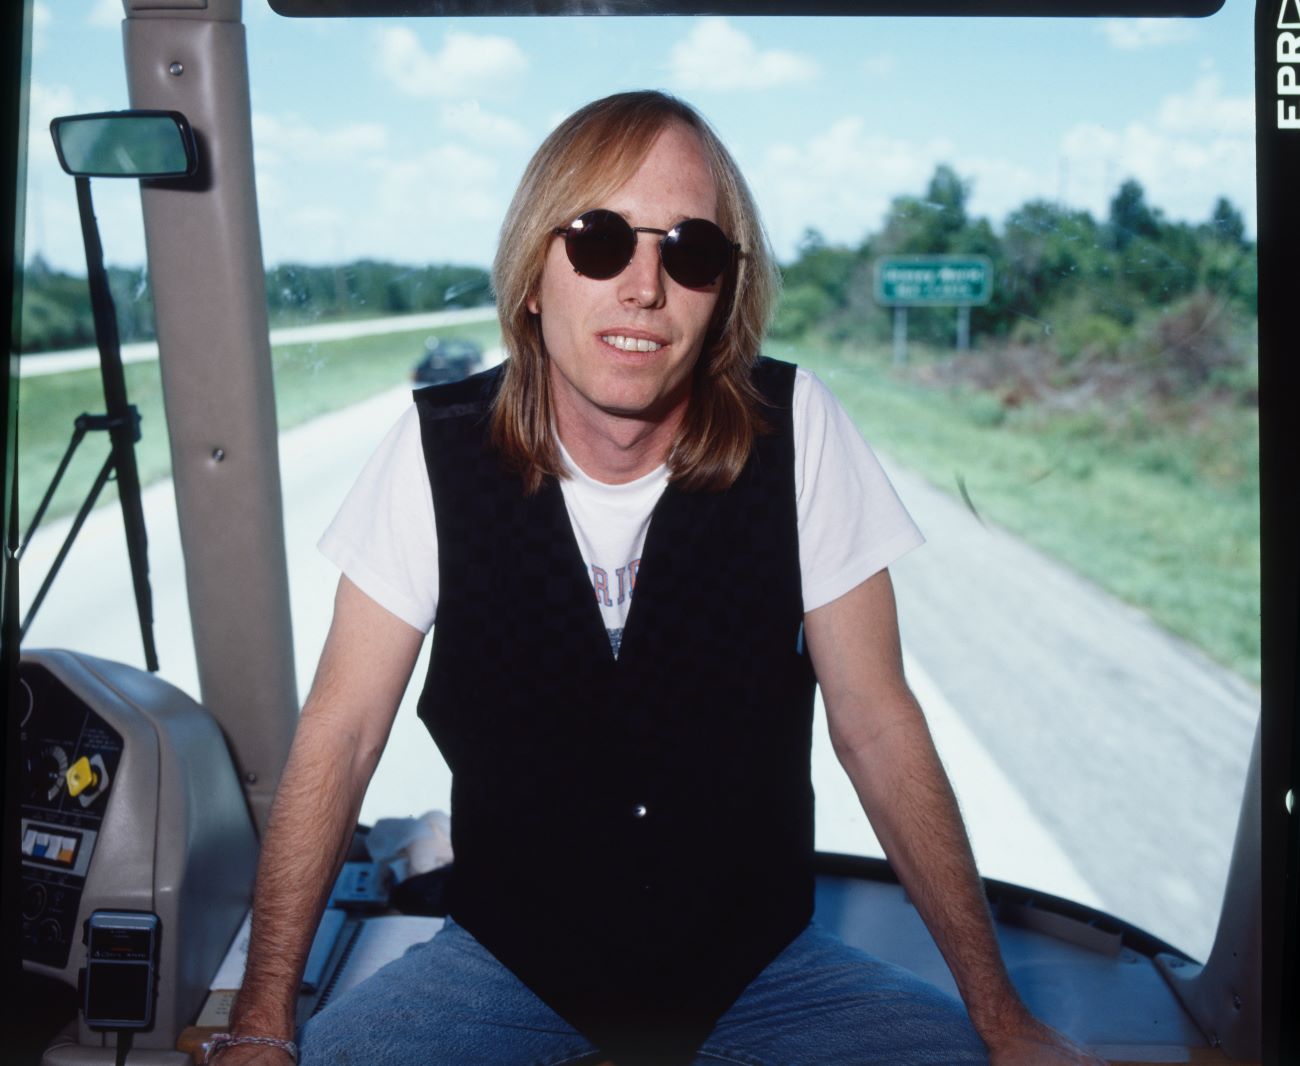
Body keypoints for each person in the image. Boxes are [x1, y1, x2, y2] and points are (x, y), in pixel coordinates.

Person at [210, 91, 1104, 1066]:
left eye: (690, 250)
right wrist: (262, 1022)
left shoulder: (798, 430)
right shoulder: (433, 450)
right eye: (598, 239)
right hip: (510, 961)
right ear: (534, 275)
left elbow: (878, 725)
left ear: (723, 290)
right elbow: (340, 736)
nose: (644, 286)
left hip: (759, 967)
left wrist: (1001, 1017)